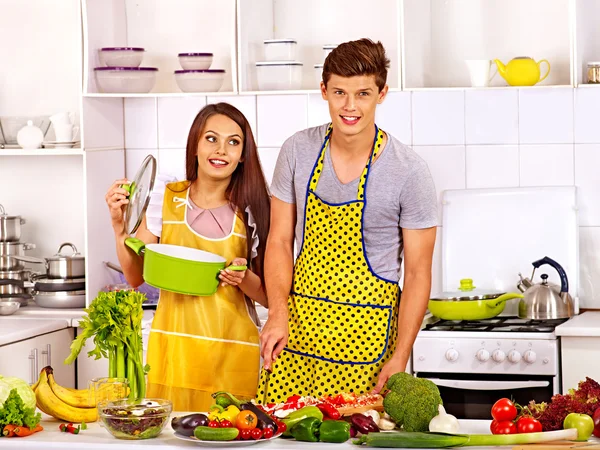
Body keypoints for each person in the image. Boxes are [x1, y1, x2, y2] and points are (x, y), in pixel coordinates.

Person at [257, 38, 438, 403]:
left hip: (367, 347)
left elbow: (418, 273)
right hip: (297, 337)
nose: (350, 106)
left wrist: (401, 355)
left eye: (363, 94)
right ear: (323, 90)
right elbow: (278, 240)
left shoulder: (409, 171)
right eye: (339, 92)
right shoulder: (297, 150)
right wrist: (277, 313)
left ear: (382, 93)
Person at [105, 103, 271, 411]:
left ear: (243, 154)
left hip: (232, 355)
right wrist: (119, 228)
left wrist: (244, 278)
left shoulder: (254, 211)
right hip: (174, 353)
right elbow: (135, 276)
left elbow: (269, 296)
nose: (221, 150)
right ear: (195, 144)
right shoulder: (164, 201)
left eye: (233, 142)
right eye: (211, 138)